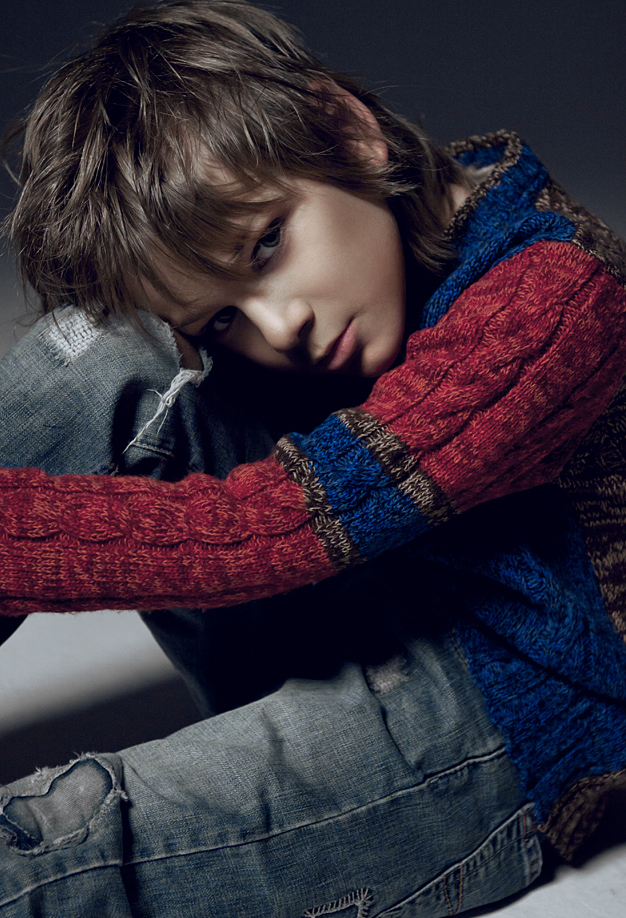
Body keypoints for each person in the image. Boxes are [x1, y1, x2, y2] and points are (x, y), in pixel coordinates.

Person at [0, 1, 625, 915]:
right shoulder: (342, 296)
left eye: (268, 243)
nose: (280, 325)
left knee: (46, 853)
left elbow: (277, 530)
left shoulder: (557, 295)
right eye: (224, 318)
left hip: (500, 707)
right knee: (104, 352)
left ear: (346, 129)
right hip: (352, 595)